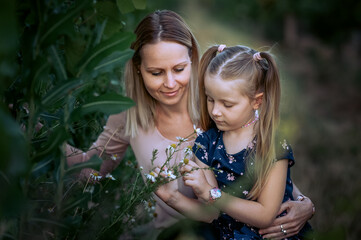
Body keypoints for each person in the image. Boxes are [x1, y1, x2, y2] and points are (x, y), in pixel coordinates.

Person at [66, 10, 314, 239]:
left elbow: (259, 158)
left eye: (179, 68)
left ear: (192, 59)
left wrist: (304, 203)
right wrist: (42, 141)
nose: (171, 83)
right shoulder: (129, 114)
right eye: (156, 72)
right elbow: (94, 170)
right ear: (138, 69)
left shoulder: (216, 102)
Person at [156, 44, 314, 239]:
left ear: (256, 101)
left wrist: (212, 194)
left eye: (227, 104)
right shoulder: (206, 143)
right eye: (210, 99)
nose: (215, 111)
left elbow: (265, 215)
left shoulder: (271, 144)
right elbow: (211, 214)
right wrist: (172, 197)